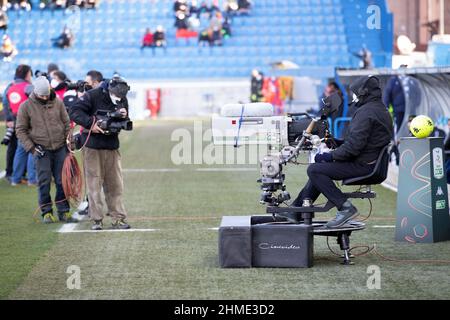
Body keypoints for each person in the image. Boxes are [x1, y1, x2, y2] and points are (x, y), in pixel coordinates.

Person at [291, 76, 393, 228]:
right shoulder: (379, 109)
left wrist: (328, 155)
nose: (353, 96)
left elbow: (353, 148)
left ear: (363, 92)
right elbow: (361, 142)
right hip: (369, 162)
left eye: (355, 93)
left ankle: (345, 207)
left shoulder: (366, 113)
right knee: (319, 169)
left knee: (315, 170)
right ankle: (295, 210)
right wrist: (337, 142)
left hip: (365, 166)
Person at [69, 76, 131, 230]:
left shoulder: (123, 98)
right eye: (117, 95)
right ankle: (97, 220)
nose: (120, 98)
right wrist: (92, 124)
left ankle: (118, 218)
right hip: (92, 147)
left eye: (122, 96)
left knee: (115, 184)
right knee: (94, 184)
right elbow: (74, 111)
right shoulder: (93, 95)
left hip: (111, 145)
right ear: (110, 89)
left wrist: (124, 115)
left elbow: (122, 121)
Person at [15, 76, 74, 223]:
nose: (45, 97)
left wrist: (69, 141)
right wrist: (32, 149)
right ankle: (46, 212)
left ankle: (63, 211)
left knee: (63, 181)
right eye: (42, 95)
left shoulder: (58, 102)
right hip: (41, 150)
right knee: (44, 182)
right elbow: (20, 130)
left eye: (46, 94)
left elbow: (67, 123)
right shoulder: (26, 106)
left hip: (60, 147)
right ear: (35, 92)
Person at [2, 64, 33, 184]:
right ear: (27, 74)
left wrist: (9, 119)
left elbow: (5, 103)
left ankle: (15, 178)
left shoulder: (11, 87)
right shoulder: (28, 87)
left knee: (19, 149)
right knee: (31, 148)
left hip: (16, 120)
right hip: (29, 121)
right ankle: (32, 178)